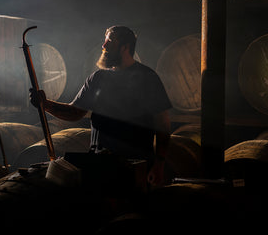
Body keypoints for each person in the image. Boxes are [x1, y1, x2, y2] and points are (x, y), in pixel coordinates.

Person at [30, 25, 172, 186]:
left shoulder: (147, 78)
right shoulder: (97, 78)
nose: (103, 45)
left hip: (135, 165)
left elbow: (163, 124)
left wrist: (159, 164)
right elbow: (75, 113)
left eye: (110, 41)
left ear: (125, 47)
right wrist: (45, 104)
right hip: (100, 163)